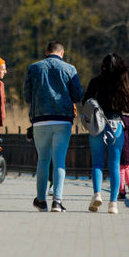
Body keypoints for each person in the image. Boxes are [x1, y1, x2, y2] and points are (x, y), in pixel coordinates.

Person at [24, 42, 83, 213]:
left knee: (43, 160)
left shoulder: (33, 68)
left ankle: (41, 200)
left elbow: (26, 96)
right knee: (59, 161)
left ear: (46, 51)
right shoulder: (70, 69)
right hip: (63, 120)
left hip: (40, 120)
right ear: (62, 53)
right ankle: (57, 201)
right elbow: (78, 94)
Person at [82, 53, 129, 214]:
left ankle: (97, 194)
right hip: (116, 125)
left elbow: (86, 102)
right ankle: (113, 203)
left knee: (97, 163)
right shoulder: (121, 83)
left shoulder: (95, 82)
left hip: (98, 125)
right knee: (115, 165)